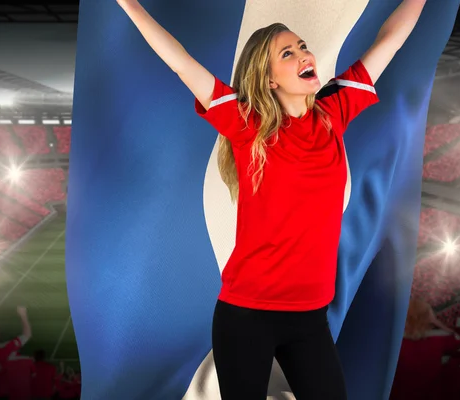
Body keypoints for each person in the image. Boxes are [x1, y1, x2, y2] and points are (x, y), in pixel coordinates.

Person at [117, 0, 427, 398]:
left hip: (310, 320)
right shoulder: (248, 126)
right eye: (288, 53)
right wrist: (128, 5)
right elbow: (180, 63)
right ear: (269, 81)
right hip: (247, 317)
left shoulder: (336, 111)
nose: (303, 54)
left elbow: (392, 38)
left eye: (301, 46)